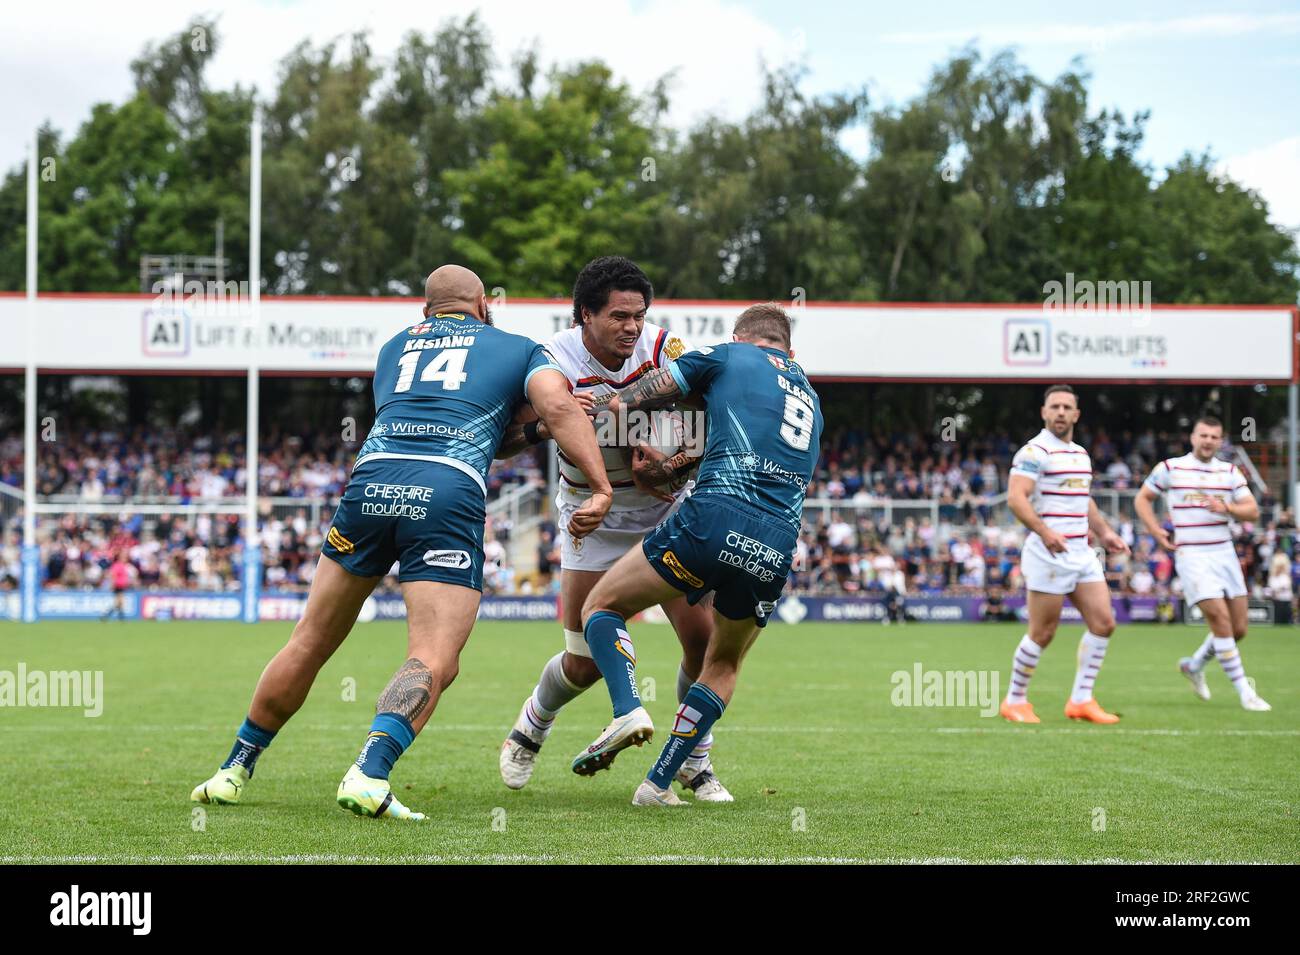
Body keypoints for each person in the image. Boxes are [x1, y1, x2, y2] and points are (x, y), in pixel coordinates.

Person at [190, 264, 613, 820]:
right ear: (484, 305)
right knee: (435, 654)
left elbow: (470, 420)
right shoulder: (517, 347)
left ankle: (232, 769)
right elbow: (557, 408)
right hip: (444, 489)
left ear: (425, 311)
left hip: (369, 484)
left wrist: (530, 431)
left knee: (310, 640)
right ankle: (370, 771)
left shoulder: (394, 348)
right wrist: (600, 486)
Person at [493, 256, 733, 801]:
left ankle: (696, 761)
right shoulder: (549, 358)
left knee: (703, 641)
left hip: (666, 514)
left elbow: (709, 424)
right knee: (583, 663)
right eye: (619, 316)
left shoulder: (662, 350)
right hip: (590, 516)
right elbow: (501, 441)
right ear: (585, 315)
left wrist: (674, 466)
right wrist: (548, 420)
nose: (632, 327)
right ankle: (532, 725)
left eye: (639, 316)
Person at [574, 303, 823, 806]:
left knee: (600, 607)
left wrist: (608, 404)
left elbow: (642, 396)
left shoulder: (728, 355)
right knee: (723, 662)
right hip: (776, 541)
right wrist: (673, 468)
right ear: (789, 352)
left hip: (714, 516)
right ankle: (660, 781)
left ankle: (628, 709)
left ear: (741, 337)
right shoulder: (812, 399)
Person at [998, 384, 1130, 724]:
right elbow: (1016, 498)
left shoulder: (1081, 454)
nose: (1060, 412)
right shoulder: (1034, 452)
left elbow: (1082, 499)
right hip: (1047, 554)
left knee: (1104, 623)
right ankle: (1014, 701)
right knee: (1043, 633)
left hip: (1081, 553)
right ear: (1044, 412)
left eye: (1066, 407)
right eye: (1053, 406)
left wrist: (1105, 533)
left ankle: (1081, 701)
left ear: (1076, 414)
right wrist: (1045, 532)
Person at [1134, 416, 1270, 710]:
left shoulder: (1230, 472)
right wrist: (1155, 530)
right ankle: (1246, 693)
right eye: (1203, 435)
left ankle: (1194, 665)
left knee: (1239, 629)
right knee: (1221, 622)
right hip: (1192, 554)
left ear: (1220, 441)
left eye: (1214, 436)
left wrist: (1228, 508)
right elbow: (1142, 499)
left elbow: (1253, 511)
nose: (1208, 441)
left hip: (1224, 553)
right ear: (1192, 437)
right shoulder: (1171, 468)